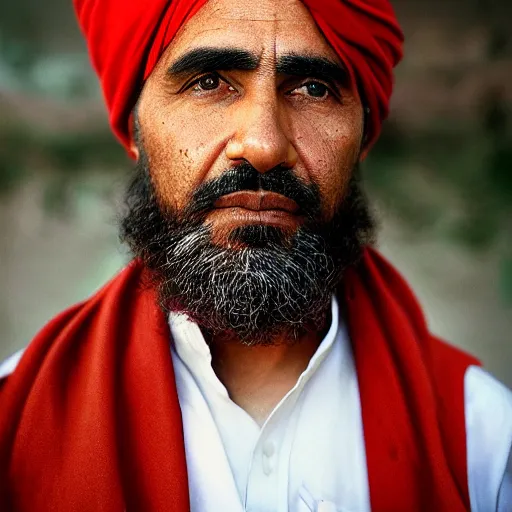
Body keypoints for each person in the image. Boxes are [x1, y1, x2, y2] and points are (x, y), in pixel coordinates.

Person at [0, 0, 511, 510]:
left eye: (314, 88)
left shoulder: (485, 446)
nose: (264, 145)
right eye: (208, 82)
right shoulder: (12, 428)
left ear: (363, 135)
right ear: (135, 127)